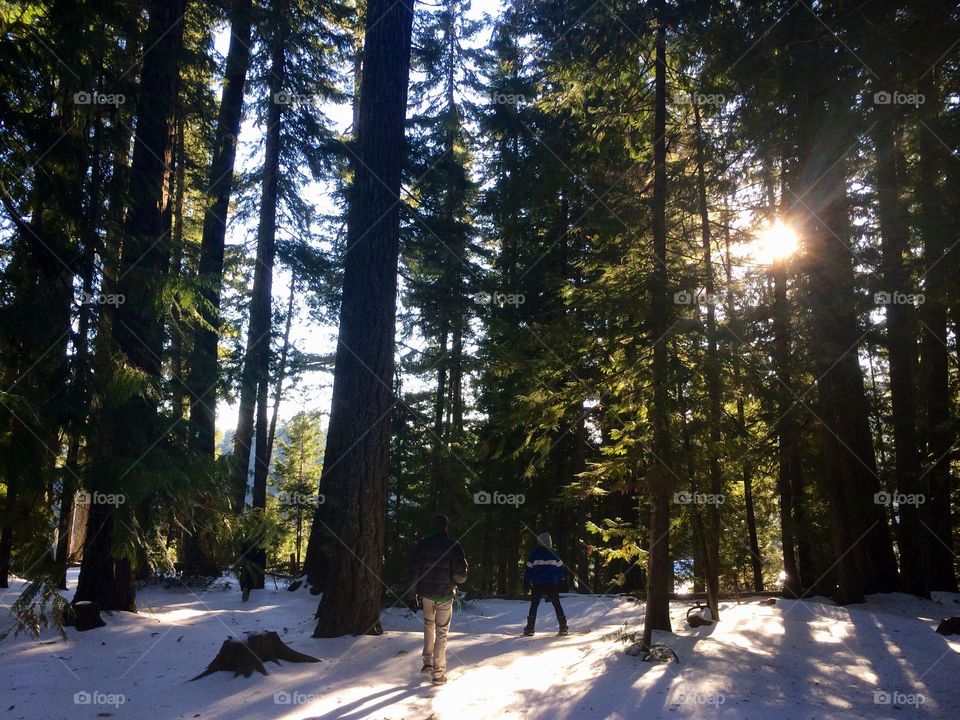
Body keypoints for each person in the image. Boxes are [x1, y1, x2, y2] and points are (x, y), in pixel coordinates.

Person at [405, 513, 468, 685]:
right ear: (445, 527)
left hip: (426, 595)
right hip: (445, 596)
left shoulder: (422, 546)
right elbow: (460, 576)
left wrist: (411, 596)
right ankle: (438, 673)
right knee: (442, 632)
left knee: (428, 626)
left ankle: (427, 663)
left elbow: (413, 574)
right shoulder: (454, 546)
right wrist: (454, 578)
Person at [523, 532, 568, 636]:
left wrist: (526, 581)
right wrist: (562, 579)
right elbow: (560, 568)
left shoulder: (534, 553)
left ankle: (530, 628)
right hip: (551, 583)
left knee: (534, 605)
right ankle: (563, 627)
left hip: (537, 583)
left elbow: (529, 569)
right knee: (557, 604)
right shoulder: (554, 553)